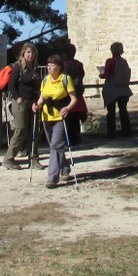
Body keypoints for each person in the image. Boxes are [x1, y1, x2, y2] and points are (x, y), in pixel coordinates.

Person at [35, 54, 79, 188]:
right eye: (48, 65)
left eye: (52, 65)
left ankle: (52, 177)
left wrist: (67, 108)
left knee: (55, 145)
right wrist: (37, 105)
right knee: (55, 146)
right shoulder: (45, 80)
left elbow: (74, 99)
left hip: (60, 117)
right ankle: (65, 168)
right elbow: (41, 98)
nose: (49, 67)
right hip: (46, 117)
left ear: (59, 67)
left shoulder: (66, 79)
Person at [3, 42, 40, 170]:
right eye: (28, 52)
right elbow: (11, 86)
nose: (30, 55)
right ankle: (9, 159)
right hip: (20, 102)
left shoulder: (34, 68)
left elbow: (36, 87)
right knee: (21, 129)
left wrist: (38, 101)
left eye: (32, 52)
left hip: (33, 103)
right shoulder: (18, 67)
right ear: (23, 53)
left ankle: (34, 159)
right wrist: (18, 98)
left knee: (34, 131)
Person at [100, 42, 133, 138]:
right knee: (123, 110)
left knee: (111, 112)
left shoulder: (110, 61)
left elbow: (105, 75)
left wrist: (100, 74)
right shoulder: (124, 61)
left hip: (112, 88)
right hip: (123, 89)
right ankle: (127, 132)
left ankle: (111, 133)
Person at [62, 42, 88, 145]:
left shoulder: (63, 65)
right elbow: (81, 75)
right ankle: (77, 138)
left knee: (69, 118)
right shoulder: (79, 64)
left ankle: (70, 140)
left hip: (67, 94)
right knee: (76, 118)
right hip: (78, 93)